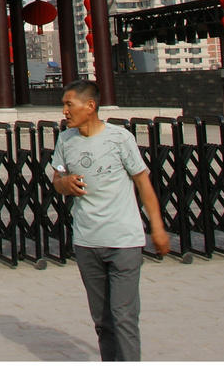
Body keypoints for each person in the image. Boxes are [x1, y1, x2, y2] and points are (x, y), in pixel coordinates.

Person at [49, 79, 170, 362]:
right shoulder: (66, 140)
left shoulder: (119, 138)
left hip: (123, 241)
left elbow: (143, 183)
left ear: (90, 106)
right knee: (103, 321)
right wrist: (65, 183)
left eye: (69, 104)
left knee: (124, 318)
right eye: (64, 105)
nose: (65, 111)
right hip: (87, 242)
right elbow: (56, 180)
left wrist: (157, 228)